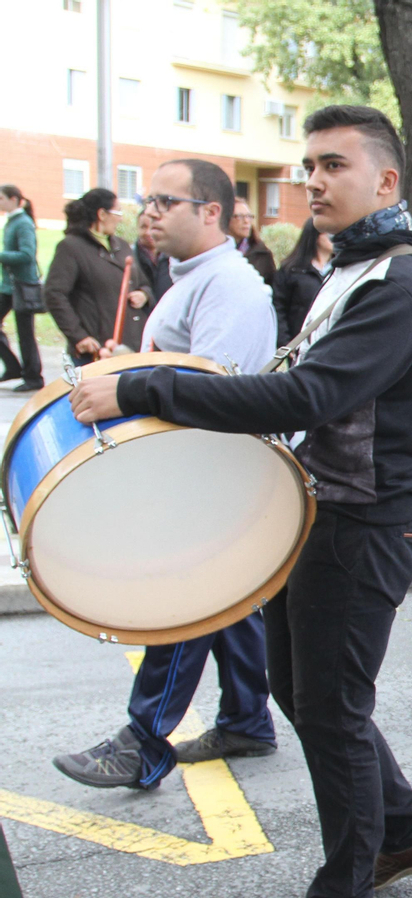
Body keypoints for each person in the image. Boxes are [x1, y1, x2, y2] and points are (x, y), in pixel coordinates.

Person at [69, 105, 412, 898]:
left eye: (333, 165)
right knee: (300, 689)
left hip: (365, 530)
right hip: (323, 516)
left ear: (385, 181)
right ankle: (407, 833)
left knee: (333, 708)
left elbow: (303, 399)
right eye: (308, 163)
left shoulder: (403, 284)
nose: (313, 180)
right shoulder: (358, 270)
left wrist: (146, 390)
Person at [50, 160, 278, 793]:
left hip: (213, 473)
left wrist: (126, 389)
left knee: (190, 598)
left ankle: (144, 740)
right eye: (146, 199)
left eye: (163, 200)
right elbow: (184, 365)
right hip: (200, 471)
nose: (147, 210)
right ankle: (247, 720)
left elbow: (216, 390)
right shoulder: (190, 278)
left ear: (210, 212)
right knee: (227, 600)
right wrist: (133, 363)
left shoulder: (230, 284)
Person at [43, 187, 152, 362]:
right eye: (117, 212)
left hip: (130, 347)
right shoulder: (71, 247)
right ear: (102, 214)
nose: (120, 218)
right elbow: (54, 294)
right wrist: (78, 336)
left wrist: (144, 294)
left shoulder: (122, 246)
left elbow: (143, 283)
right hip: (96, 350)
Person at [0, 185, 41, 391]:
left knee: (25, 333)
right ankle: (12, 367)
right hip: (8, 286)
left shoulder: (23, 223)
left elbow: (27, 255)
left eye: (1, 198)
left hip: (22, 286)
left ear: (14, 199)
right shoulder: (12, 222)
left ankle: (33, 377)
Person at [272, 217, 334, 348]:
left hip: (330, 344)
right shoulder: (292, 270)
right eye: (329, 233)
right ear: (315, 235)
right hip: (299, 346)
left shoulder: (339, 269)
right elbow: (278, 308)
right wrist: (286, 344)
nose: (334, 237)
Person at [230, 198, 276, 285]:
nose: (246, 221)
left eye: (249, 216)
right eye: (239, 217)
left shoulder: (263, 254)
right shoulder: (215, 251)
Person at [135, 205, 173, 304]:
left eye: (153, 226)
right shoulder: (129, 258)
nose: (148, 232)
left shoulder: (174, 258)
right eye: (143, 227)